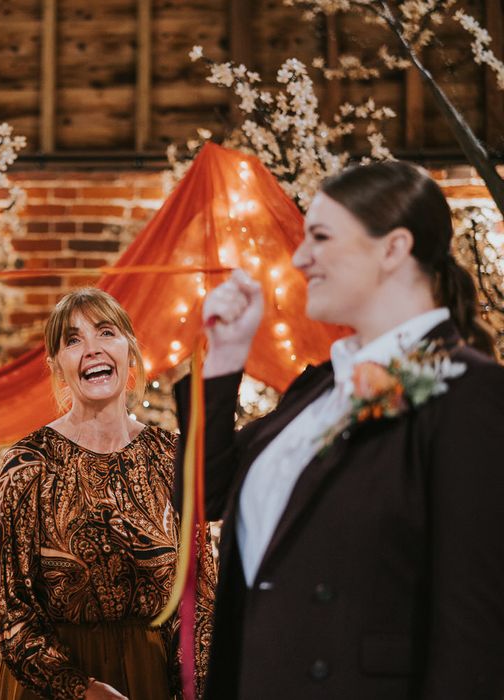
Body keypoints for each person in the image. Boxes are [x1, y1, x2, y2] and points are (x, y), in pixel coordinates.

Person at [174, 161, 504, 699]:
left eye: (320, 237)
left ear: (393, 249)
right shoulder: (318, 388)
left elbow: (476, 632)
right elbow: (203, 496)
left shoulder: (472, 395)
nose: (301, 258)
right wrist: (225, 358)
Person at [0, 288, 196, 700]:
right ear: (56, 365)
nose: (92, 350)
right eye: (72, 340)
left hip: (152, 681)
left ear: (129, 350)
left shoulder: (171, 457)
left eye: (106, 332)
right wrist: (79, 690)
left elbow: (199, 600)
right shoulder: (27, 466)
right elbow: (13, 614)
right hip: (52, 687)